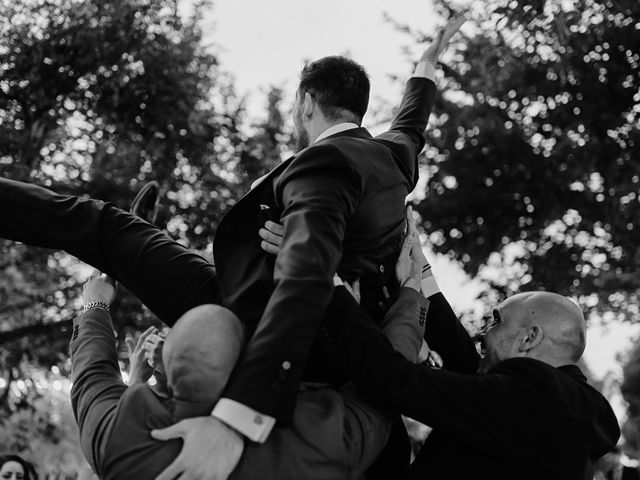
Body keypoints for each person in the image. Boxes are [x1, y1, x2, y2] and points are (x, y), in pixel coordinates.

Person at [68, 218, 429, 480]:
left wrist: (95, 307)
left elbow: (91, 371)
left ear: (164, 362)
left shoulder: (119, 437)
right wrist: (411, 292)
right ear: (248, 362)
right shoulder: (315, 440)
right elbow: (385, 383)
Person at [310, 215, 622, 479]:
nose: (484, 333)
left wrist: (325, 281)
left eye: (496, 321)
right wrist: (422, 279)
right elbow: (472, 369)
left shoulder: (529, 399)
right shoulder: (568, 411)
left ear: (529, 338)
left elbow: (390, 379)